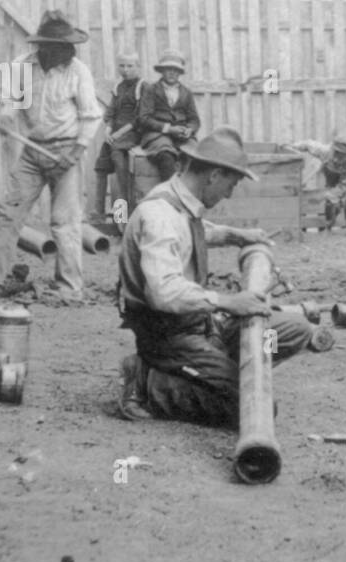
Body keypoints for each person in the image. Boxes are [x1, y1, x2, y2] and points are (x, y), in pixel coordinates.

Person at [115, 127, 314, 423]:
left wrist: (234, 235)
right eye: (231, 184)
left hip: (199, 324)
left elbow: (191, 232)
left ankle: (210, 370)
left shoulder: (179, 202)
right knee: (250, 407)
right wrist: (227, 302)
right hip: (168, 338)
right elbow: (164, 293)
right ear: (213, 176)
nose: (229, 194)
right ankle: (147, 382)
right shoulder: (159, 215)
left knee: (297, 329)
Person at [0, 10, 102, 297]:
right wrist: (6, 116)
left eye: (69, 47)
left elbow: (91, 116)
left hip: (67, 150)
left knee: (64, 221)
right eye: (61, 47)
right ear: (43, 46)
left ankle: (69, 288)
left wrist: (77, 150)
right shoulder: (21, 67)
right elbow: (10, 102)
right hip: (33, 154)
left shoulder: (78, 71)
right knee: (8, 213)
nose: (68, 52)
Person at [93, 52, 144, 224]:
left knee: (121, 175)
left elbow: (140, 118)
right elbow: (111, 112)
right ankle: (98, 213)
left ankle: (121, 219)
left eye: (130, 66)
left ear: (138, 67)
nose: (125, 70)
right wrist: (108, 128)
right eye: (122, 65)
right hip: (114, 137)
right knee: (100, 168)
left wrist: (118, 133)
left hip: (131, 135)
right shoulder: (119, 87)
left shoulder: (143, 87)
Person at [136, 49, 200, 182]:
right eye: (168, 69)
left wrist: (189, 130)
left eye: (175, 70)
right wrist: (168, 129)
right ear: (162, 71)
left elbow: (194, 120)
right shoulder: (151, 90)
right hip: (157, 134)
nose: (172, 73)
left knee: (195, 155)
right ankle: (169, 195)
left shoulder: (186, 93)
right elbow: (144, 118)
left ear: (180, 73)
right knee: (166, 155)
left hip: (181, 136)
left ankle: (190, 196)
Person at [290, 135, 346, 233]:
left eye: (341, 156)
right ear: (332, 149)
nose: (337, 158)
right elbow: (308, 145)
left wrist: (328, 195)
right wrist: (293, 147)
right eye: (336, 153)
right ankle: (326, 225)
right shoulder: (324, 151)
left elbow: (342, 187)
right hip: (330, 178)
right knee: (328, 202)